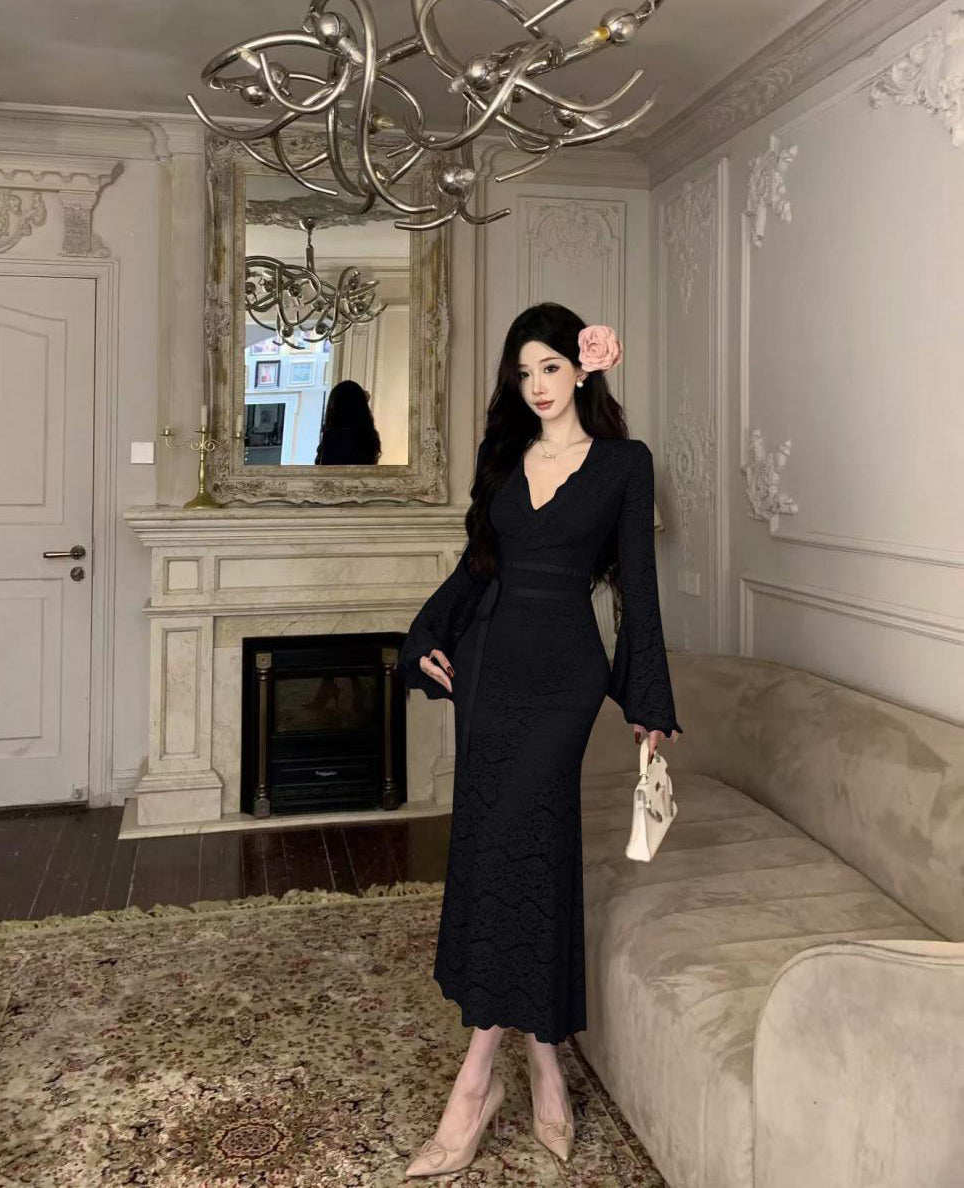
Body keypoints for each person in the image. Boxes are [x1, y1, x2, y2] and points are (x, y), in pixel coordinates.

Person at [397, 302, 683, 1176]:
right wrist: (421, 636)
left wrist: (647, 698)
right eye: (523, 373)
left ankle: (473, 1082)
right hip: (489, 671)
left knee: (521, 843)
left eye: (550, 367)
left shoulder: (625, 464)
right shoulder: (504, 459)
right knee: (505, 852)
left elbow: (638, 588)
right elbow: (474, 569)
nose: (536, 387)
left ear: (584, 367)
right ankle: (545, 1059)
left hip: (563, 680)